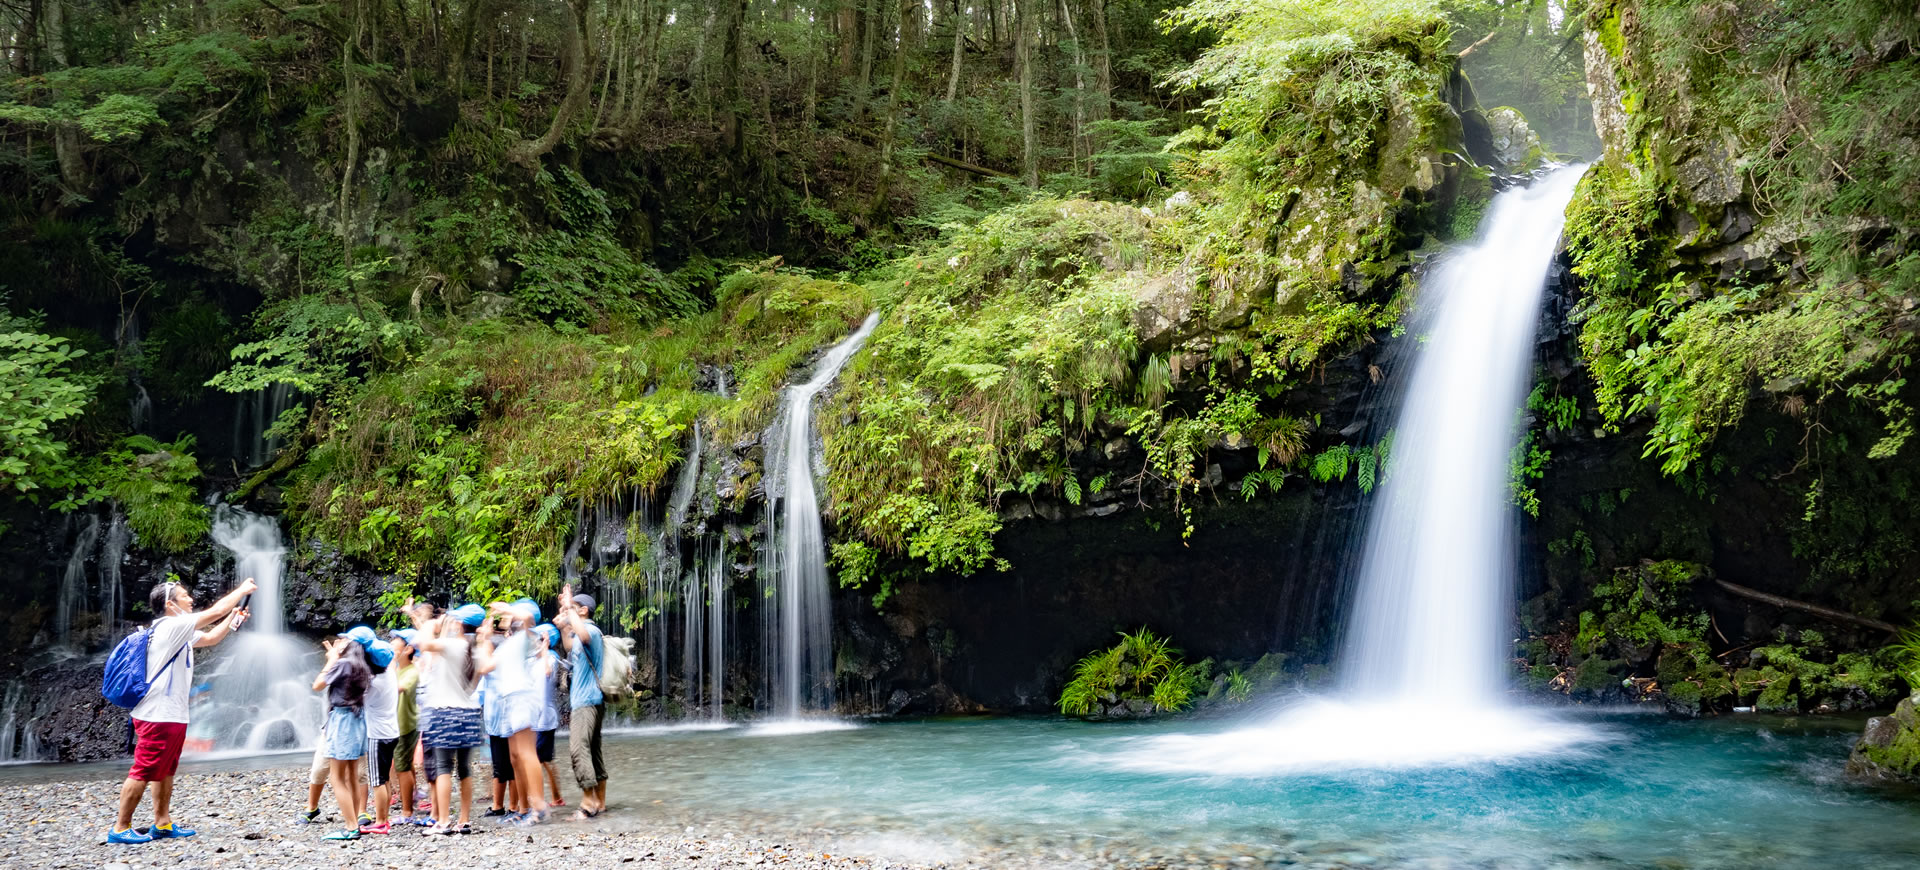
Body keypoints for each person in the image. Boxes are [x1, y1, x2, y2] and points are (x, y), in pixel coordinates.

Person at [108, 577, 256, 844]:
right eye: (185, 596)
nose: (191, 599)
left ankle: (162, 824)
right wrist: (241, 591)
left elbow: (211, 638)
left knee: (165, 769)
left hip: (173, 713)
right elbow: (215, 611)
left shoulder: (179, 631)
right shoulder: (170, 627)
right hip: (157, 714)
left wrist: (233, 617)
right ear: (170, 605)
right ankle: (120, 828)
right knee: (142, 770)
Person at [409, 601, 486, 836]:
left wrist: (430, 624)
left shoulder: (454, 644)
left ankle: (442, 822)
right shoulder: (479, 648)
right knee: (464, 769)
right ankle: (463, 820)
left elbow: (422, 644)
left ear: (460, 623)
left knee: (443, 767)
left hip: (445, 712)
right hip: (470, 713)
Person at [474, 599, 550, 826]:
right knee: (516, 757)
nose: (505, 619)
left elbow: (528, 619)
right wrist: (483, 638)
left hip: (521, 697)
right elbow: (485, 667)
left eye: (509, 617)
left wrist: (508, 610)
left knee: (526, 753)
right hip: (508, 701)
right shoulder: (507, 645)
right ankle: (525, 808)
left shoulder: (523, 638)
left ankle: (539, 808)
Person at [311, 633, 372, 841]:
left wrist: (332, 659)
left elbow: (317, 685)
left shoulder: (342, 664)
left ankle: (351, 826)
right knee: (352, 776)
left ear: (349, 643)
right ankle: (354, 822)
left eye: (343, 640)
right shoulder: (362, 665)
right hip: (357, 720)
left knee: (336, 778)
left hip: (342, 721)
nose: (339, 641)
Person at [555, 585, 607, 819]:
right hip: (589, 699)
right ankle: (600, 802)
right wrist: (564, 625)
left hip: (586, 701)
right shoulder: (580, 633)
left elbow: (584, 636)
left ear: (583, 611)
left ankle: (587, 804)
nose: (567, 611)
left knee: (578, 749)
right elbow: (570, 646)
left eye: (573, 609)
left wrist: (568, 604)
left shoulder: (591, 631)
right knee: (593, 750)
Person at [342, 626, 399, 835]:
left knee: (377, 781)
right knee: (383, 778)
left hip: (377, 735)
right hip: (392, 731)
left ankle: (381, 821)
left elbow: (354, 699)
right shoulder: (390, 673)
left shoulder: (373, 685)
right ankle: (384, 818)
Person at [389, 629, 429, 826]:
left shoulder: (412, 671)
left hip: (406, 726)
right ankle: (411, 798)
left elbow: (398, 688)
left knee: (402, 767)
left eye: (397, 641)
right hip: (399, 724)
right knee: (404, 766)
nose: (392, 643)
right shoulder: (400, 668)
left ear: (408, 649)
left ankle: (407, 812)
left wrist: (390, 663)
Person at [534, 623, 566, 808]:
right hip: (536, 718)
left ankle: (551, 798)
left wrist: (545, 649)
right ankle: (555, 797)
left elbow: (547, 673)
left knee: (542, 759)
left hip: (545, 719)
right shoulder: (535, 659)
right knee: (544, 759)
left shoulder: (551, 659)